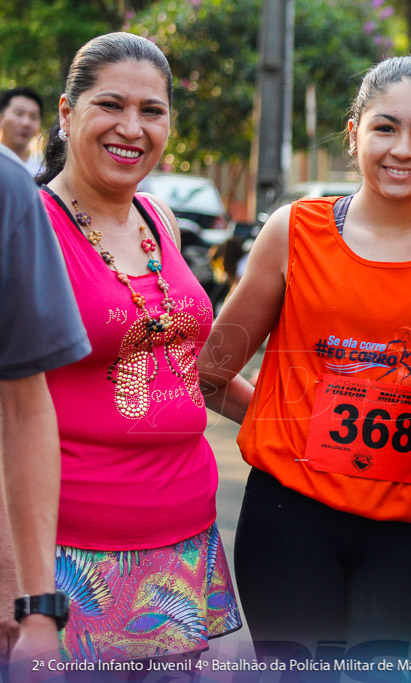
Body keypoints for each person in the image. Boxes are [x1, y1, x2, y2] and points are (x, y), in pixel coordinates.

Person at [197, 56, 411, 656]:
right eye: (385, 127)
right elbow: (211, 372)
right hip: (289, 517)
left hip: (401, 530)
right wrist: (285, 423)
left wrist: (408, 391)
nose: (402, 149)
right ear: (353, 133)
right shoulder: (293, 230)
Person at [34, 32, 241, 661]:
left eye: (151, 111)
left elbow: (186, 373)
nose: (132, 127)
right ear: (67, 114)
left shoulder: (159, 220)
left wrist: (303, 436)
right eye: (110, 105)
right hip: (75, 555)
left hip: (186, 539)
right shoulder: (29, 227)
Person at [0, 152, 91, 667]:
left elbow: (22, 409)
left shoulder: (6, 189)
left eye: (151, 110)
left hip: (168, 545)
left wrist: (34, 608)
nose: (131, 127)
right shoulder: (37, 205)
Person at [0, 87, 43, 176]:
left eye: (33, 117)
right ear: (1, 118)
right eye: (19, 113)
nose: (26, 123)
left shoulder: (40, 175)